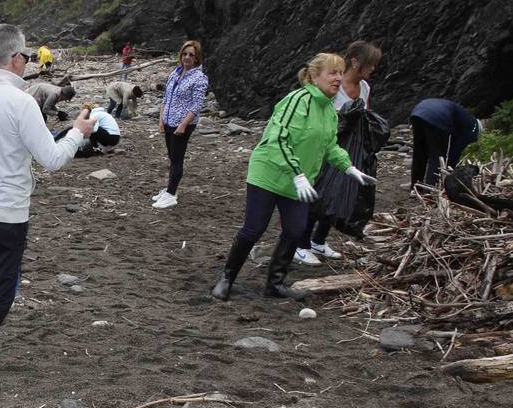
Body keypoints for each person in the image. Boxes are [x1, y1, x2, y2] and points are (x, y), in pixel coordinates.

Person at [0, 23, 96, 375]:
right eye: (26, 56)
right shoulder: (21, 103)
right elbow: (52, 160)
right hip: (6, 214)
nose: (26, 62)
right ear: (13, 58)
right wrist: (77, 133)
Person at [210, 53, 376, 302]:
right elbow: (278, 138)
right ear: (314, 76)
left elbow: (330, 146)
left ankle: (274, 284)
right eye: (332, 72)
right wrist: (297, 174)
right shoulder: (297, 100)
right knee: (254, 228)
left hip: (299, 181)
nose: (338, 78)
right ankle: (227, 278)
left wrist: (349, 168)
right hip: (268, 173)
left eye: (341, 72)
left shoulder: (329, 111)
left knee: (296, 229)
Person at [297, 40, 382, 264]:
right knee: (320, 192)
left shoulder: (364, 88)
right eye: (370, 64)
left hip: (349, 149)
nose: (373, 69)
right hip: (328, 146)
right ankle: (301, 243)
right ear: (356, 62)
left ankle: (319, 240)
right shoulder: (334, 86)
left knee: (340, 194)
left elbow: (365, 115)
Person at [152, 40, 210, 209]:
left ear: (197, 58)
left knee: (177, 159)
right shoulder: (175, 73)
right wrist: (160, 119)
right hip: (169, 120)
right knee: (171, 157)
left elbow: (197, 105)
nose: (187, 57)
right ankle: (170, 189)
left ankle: (171, 194)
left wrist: (184, 124)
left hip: (183, 123)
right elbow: (165, 98)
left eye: (191, 55)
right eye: (185, 54)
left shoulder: (199, 78)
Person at [410, 98, 482, 190]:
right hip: (438, 117)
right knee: (437, 155)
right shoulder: (472, 129)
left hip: (418, 113)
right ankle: (431, 189)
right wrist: (449, 171)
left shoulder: (465, 118)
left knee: (419, 153)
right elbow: (455, 151)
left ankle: (416, 186)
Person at [55, 104, 119, 156]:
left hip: (111, 137)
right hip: (115, 138)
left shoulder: (94, 114)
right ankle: (106, 148)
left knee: (91, 128)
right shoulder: (102, 113)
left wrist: (82, 131)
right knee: (91, 128)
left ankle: (95, 149)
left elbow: (95, 129)